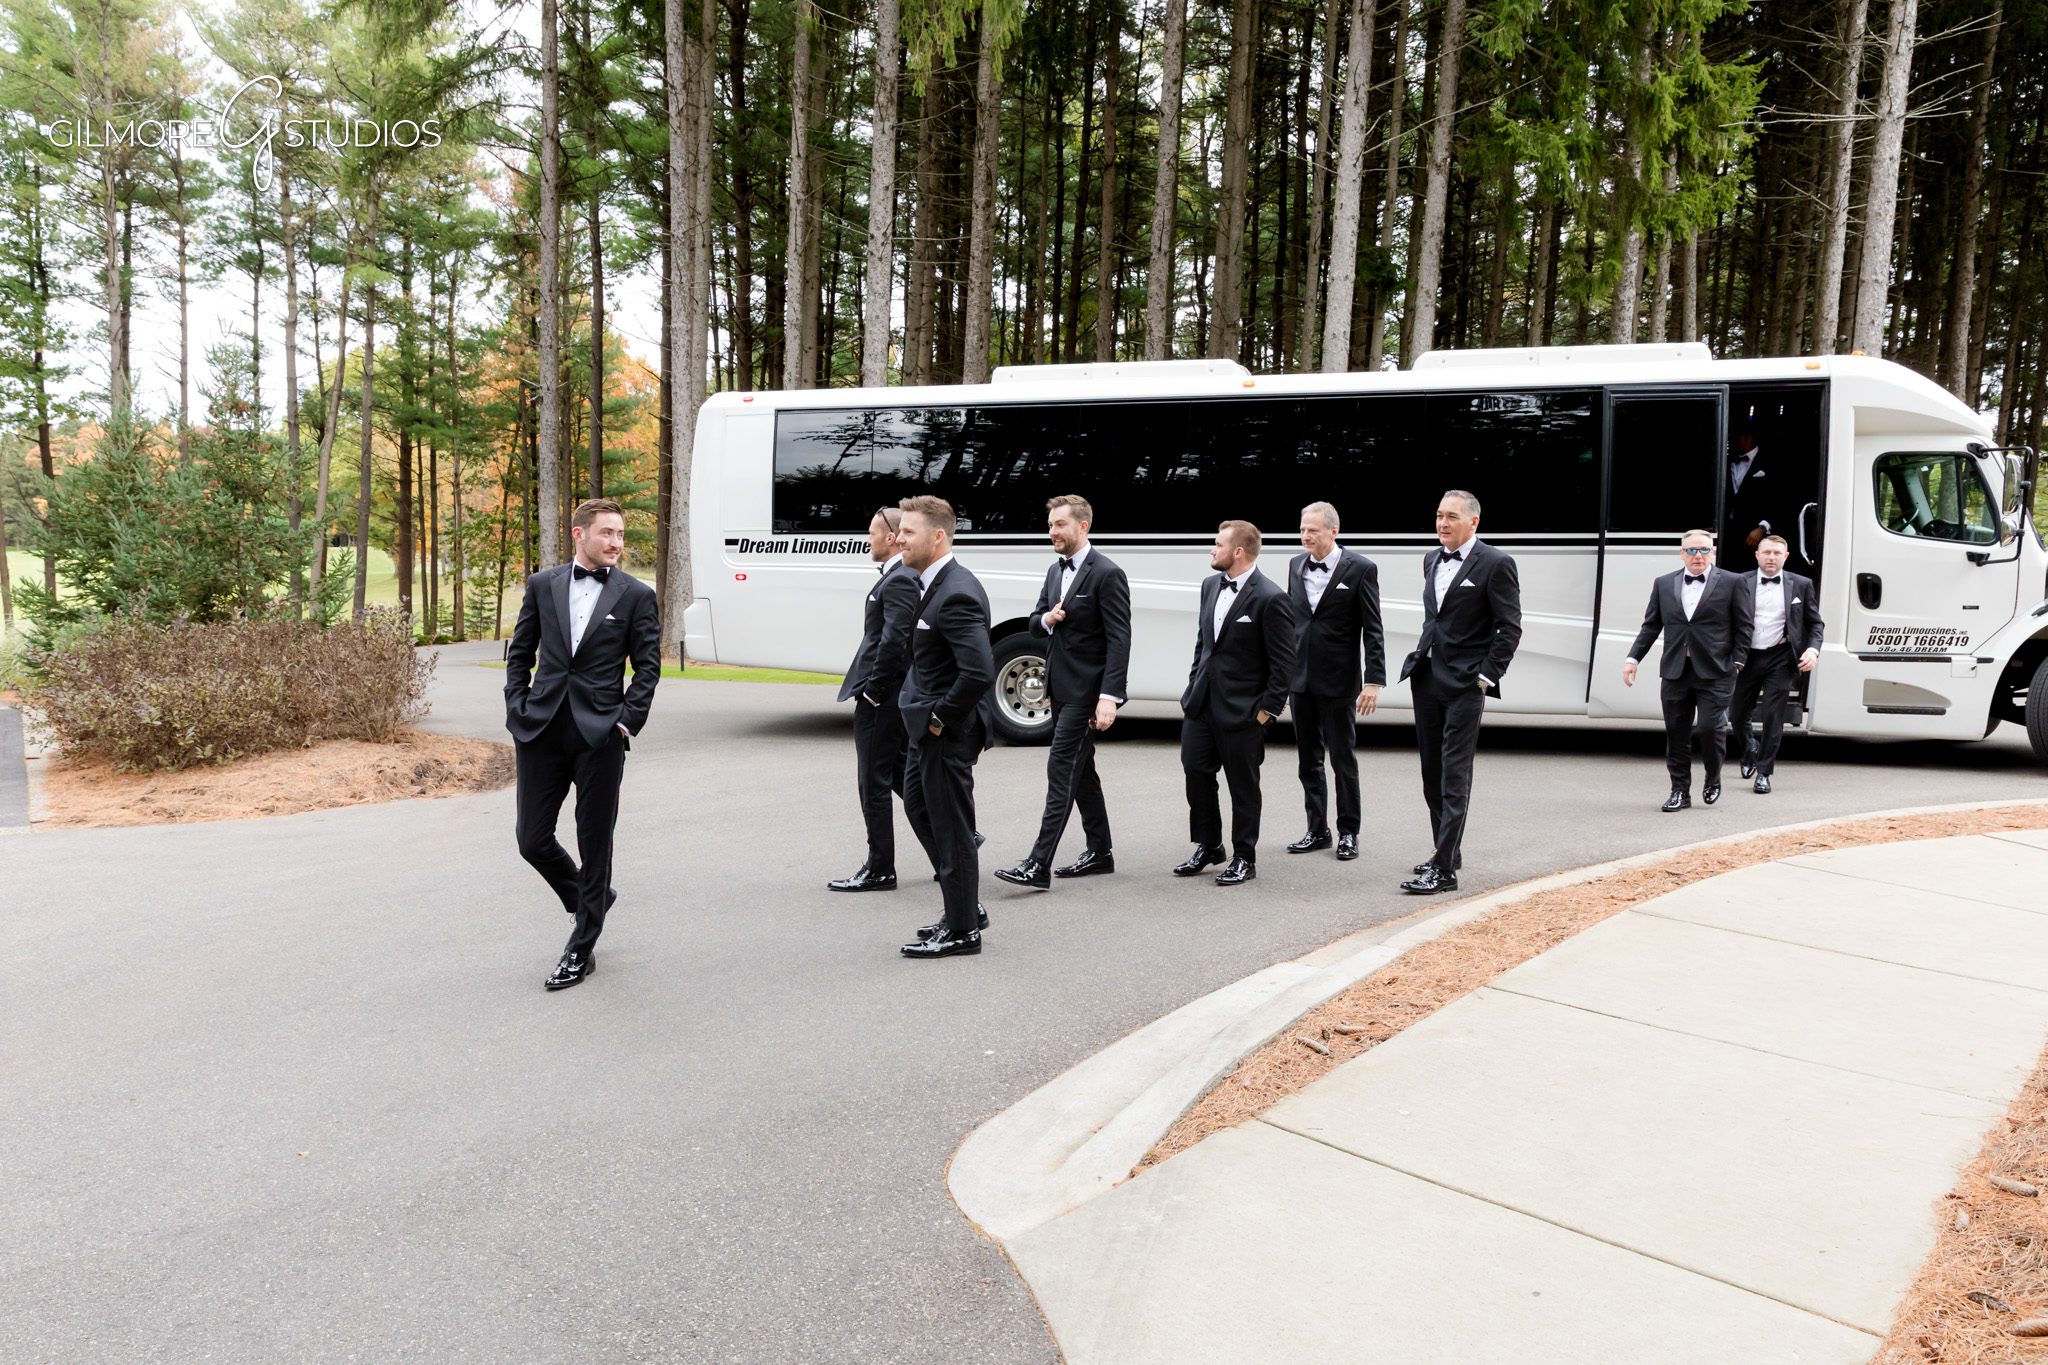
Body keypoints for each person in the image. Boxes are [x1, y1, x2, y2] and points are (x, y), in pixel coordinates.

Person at [504, 497, 662, 991]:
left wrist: (626, 721)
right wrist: (517, 707)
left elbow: (648, 666)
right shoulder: (542, 585)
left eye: (620, 535)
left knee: (595, 844)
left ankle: (580, 947)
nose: (616, 542)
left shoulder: (636, 595)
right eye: (607, 533)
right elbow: (520, 652)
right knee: (532, 839)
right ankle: (591, 898)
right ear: (579, 535)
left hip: (600, 736)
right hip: (541, 729)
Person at [995, 495, 1132, 890]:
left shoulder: (1107, 573)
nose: (1052, 531)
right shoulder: (1055, 572)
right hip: (1058, 687)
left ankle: (1038, 864)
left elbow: (1119, 638)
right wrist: (1048, 618)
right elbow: (1034, 624)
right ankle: (1100, 852)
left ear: (1083, 526)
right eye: (1051, 524)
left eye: (1060, 525)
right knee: (1081, 770)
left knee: (1060, 767)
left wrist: (1110, 696)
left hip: (1086, 692)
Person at [1397, 490, 1521, 895]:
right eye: (1438, 516)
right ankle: (1446, 851)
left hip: (1467, 683)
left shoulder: (1497, 563)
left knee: (1454, 774)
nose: (1442, 524)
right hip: (1427, 676)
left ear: (1474, 522)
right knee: (1431, 771)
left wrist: (1487, 675)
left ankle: (1444, 870)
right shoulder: (1431, 559)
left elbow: (1510, 627)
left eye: (1451, 516)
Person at [895, 495, 998, 959]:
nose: (899, 538)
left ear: (938, 537)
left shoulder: (956, 591)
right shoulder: (931, 584)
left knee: (953, 829)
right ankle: (964, 909)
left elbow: (978, 671)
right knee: (919, 808)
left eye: (909, 531)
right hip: (924, 732)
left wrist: (938, 718)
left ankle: (962, 932)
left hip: (945, 733)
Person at [1174, 520, 1297, 887]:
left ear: (1238, 552)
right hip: (1202, 705)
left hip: (1244, 712)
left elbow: (1284, 662)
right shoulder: (1210, 585)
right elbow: (1204, 643)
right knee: (1195, 772)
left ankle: (1245, 856)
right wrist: (1193, 684)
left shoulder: (1271, 598)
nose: (1212, 550)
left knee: (1243, 787)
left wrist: (1267, 710)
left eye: (1218, 545)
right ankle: (1210, 845)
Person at [1623, 529, 1755, 812]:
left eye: (1704, 550)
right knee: (1676, 733)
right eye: (1692, 550)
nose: (1698, 556)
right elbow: (1651, 626)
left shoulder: (1733, 582)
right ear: (1682, 553)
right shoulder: (1663, 583)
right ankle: (1679, 792)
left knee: (1710, 728)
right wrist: (1633, 658)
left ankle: (1713, 776)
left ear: (1714, 552)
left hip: (1717, 670)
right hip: (1675, 670)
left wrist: (1738, 661)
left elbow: (1744, 626)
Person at [1284, 501, 1385, 863]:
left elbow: (1373, 629)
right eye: (1302, 529)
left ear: (1333, 532)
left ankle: (1348, 832)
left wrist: (1373, 681)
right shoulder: (1295, 565)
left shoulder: (1360, 568)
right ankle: (1317, 830)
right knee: (1307, 759)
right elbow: (1291, 624)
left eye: (1312, 530)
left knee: (1342, 758)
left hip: (1340, 681)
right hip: (1300, 680)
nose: (1305, 536)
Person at [829, 506, 919, 892]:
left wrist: (875, 692)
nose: (868, 540)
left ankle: (880, 867)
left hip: (882, 696)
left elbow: (895, 641)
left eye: (871, 533)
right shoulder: (897, 577)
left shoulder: (899, 580)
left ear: (891, 537)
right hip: (888, 693)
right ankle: (951, 836)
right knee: (898, 771)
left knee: (873, 780)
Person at [1729, 533, 1823, 794]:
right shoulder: (1740, 582)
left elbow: (1815, 623)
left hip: (1780, 657)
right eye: (1766, 552)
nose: (1771, 557)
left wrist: (1813, 651)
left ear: (1786, 556)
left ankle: (1764, 772)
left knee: (1773, 716)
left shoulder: (1801, 584)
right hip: (1746, 657)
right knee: (1736, 715)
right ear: (1757, 555)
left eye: (1777, 553)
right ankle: (1749, 747)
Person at [1723, 428, 1776, 573]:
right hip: (1728, 532)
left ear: (1748, 437)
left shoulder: (1770, 461)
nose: (1731, 442)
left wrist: (1762, 527)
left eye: (1736, 437)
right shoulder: (1725, 461)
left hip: (1754, 534)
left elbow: (1779, 499)